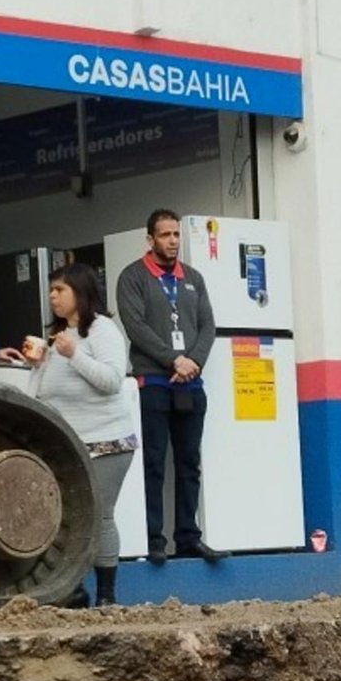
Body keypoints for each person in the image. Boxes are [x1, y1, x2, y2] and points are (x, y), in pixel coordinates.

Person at [0, 263, 133, 606]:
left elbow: (112, 380)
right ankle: (72, 590)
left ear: (80, 293)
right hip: (67, 444)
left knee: (99, 514)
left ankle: (106, 596)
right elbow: (45, 392)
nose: (52, 297)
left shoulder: (101, 331)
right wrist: (34, 365)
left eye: (60, 290)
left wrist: (73, 357)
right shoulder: (59, 334)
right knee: (60, 516)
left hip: (106, 441)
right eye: (51, 290)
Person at [115, 209, 221, 562]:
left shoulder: (194, 278)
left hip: (191, 384)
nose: (172, 241)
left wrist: (193, 362)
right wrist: (173, 360)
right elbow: (136, 327)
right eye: (165, 235)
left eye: (176, 234)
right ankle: (153, 540)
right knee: (154, 463)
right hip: (153, 383)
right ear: (150, 239)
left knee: (190, 462)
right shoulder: (132, 277)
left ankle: (188, 537)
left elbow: (208, 327)